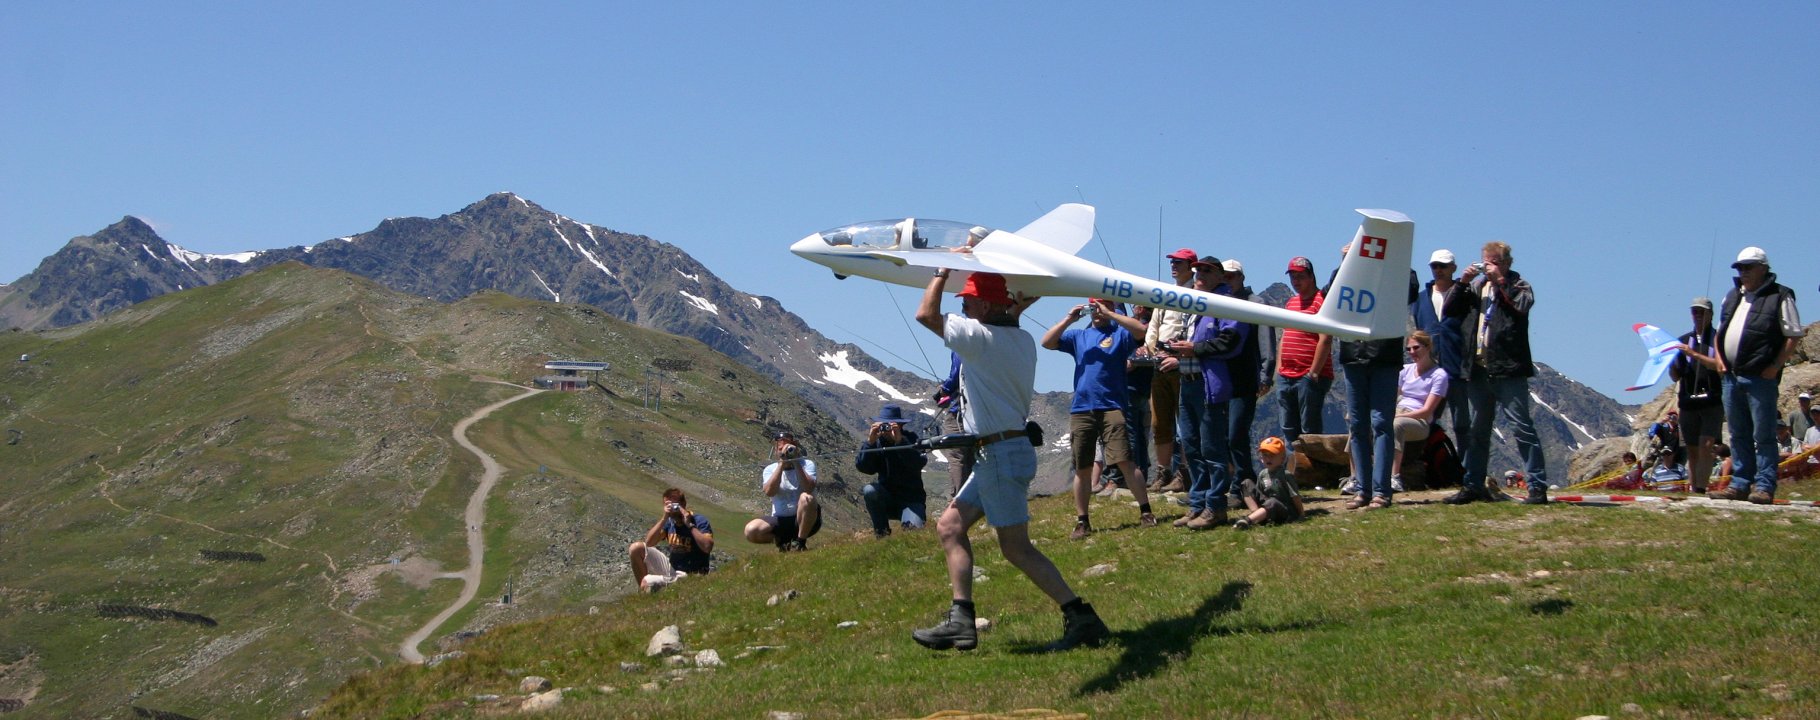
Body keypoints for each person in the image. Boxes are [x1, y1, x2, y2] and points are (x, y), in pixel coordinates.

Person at [910, 269, 1109, 652]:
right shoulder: (1020, 339)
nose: (963, 308)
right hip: (1001, 451)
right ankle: (961, 621)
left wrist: (939, 271)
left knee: (1016, 548)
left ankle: (1080, 615)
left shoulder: (979, 337)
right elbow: (1005, 321)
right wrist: (1010, 305)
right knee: (951, 526)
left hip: (999, 453)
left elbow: (926, 316)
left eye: (968, 302)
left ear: (985, 305)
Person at [1042, 297, 1158, 538]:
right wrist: (1068, 319)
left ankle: (1146, 511)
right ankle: (1082, 520)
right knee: (1082, 467)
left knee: (1125, 460)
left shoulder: (1119, 334)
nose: (1097, 311)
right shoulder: (1078, 336)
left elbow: (1141, 330)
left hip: (1112, 406)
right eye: (1093, 306)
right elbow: (1047, 342)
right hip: (1082, 408)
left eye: (1102, 305)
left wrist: (1111, 314)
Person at [1453, 240, 1549, 505]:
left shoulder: (1520, 285)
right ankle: (1472, 484)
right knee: (1477, 430)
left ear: (1506, 263)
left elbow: (1521, 307)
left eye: (1494, 261)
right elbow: (1451, 310)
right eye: (1486, 261)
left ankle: (1537, 486)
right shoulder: (1476, 287)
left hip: (1508, 368)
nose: (1488, 266)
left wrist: (1501, 283)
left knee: (1522, 427)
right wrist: (1462, 283)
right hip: (1479, 368)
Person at [1709, 246, 1804, 504]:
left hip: (1761, 377)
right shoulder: (1731, 296)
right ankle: (1740, 483)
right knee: (1738, 433)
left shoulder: (1780, 296)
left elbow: (1793, 334)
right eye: (1740, 268)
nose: (1743, 272)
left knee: (1763, 434)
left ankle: (1764, 485)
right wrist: (1719, 358)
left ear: (1763, 268)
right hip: (1731, 376)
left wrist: (1775, 365)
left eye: (1748, 267)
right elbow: (1720, 332)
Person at [1168, 258, 1248, 529]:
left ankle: (1215, 507)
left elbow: (1231, 340)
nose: (1199, 274)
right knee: (1191, 447)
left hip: (1209, 384)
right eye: (1197, 270)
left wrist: (1194, 349)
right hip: (1187, 381)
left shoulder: (1227, 303)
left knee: (1212, 448)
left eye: (1206, 271)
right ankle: (1197, 504)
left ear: (1220, 277)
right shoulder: (1196, 303)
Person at [1332, 249, 1416, 510]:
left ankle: (1382, 491)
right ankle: (1362, 489)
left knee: (1381, 423)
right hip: (1353, 358)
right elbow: (1330, 295)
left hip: (1384, 358)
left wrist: (1391, 260)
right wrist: (1347, 264)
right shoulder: (1345, 273)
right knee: (1357, 425)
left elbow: (1410, 289)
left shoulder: (1396, 273)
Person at [1139, 248, 1201, 491]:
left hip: (1181, 364)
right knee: (1160, 422)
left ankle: (1184, 473)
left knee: (1184, 420)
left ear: (1191, 266)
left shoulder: (1195, 293)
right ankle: (1163, 472)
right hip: (1159, 364)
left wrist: (1177, 354)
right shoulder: (1166, 292)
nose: (1174, 266)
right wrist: (1150, 349)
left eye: (1179, 262)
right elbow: (1155, 324)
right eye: (1173, 262)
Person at [1411, 249, 1473, 438]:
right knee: (1427, 419)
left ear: (1453, 268)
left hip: (1456, 366)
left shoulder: (1466, 295)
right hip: (1430, 369)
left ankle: (1465, 467)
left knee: (1461, 422)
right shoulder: (1421, 299)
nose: (1438, 270)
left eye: (1443, 266)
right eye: (1434, 266)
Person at [1221, 259, 1271, 490]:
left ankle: (1244, 483)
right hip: (1221, 379)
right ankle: (1238, 483)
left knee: (1236, 435)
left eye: (1231, 276)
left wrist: (1265, 374)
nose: (1227, 280)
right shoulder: (1219, 302)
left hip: (1245, 378)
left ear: (1241, 277)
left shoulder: (1256, 303)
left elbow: (1266, 341)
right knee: (1223, 435)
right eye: (1224, 276)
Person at [1670, 297, 1725, 493]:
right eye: (1695, 312)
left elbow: (1718, 365)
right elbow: (1676, 375)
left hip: (1712, 400)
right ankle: (1695, 488)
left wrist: (1693, 354)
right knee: (1692, 448)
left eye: (1702, 312)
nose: (1698, 316)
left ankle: (1702, 486)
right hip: (1688, 401)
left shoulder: (1718, 339)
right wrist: (1671, 363)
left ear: (1710, 314)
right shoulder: (1684, 340)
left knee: (1707, 444)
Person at [1276, 256, 1333, 445]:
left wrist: (1313, 373)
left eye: (1300, 276)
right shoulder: (1291, 303)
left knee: (1310, 429)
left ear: (1311, 277)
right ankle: (1295, 472)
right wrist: (1279, 368)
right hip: (1286, 375)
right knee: (1288, 428)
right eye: (1292, 277)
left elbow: (1325, 338)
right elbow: (1285, 336)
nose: (1296, 282)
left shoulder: (1322, 301)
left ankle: (1315, 471)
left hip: (1309, 376)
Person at [855, 404, 929, 537]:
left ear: (900, 426)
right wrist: (869, 443)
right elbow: (864, 468)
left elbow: (918, 463)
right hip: (887, 498)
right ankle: (881, 533)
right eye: (884, 425)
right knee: (869, 490)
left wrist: (900, 442)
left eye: (891, 425)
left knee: (914, 534)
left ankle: (911, 520)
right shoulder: (877, 443)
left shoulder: (911, 439)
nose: (887, 429)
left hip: (911, 500)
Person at [745, 430, 822, 551]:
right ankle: (782, 542)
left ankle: (800, 542)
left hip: (805, 518)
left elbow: (809, 487)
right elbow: (769, 492)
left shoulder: (807, 464)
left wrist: (796, 461)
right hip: (781, 520)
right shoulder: (770, 469)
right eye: (781, 449)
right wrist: (781, 464)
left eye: (788, 448)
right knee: (751, 530)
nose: (785, 452)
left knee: (807, 498)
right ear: (776, 451)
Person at [1392, 330, 1450, 489]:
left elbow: (1427, 411)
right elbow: (1393, 396)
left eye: (1416, 348)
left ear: (1428, 347)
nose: (1412, 352)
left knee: (1397, 425)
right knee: (1360, 422)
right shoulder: (1405, 370)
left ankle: (1394, 477)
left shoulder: (1439, 375)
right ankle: (1355, 476)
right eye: (1408, 349)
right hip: (1399, 411)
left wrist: (1398, 417)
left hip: (1420, 421)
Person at [628, 488, 714, 592]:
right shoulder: (669, 522)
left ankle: (645, 594)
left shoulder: (699, 521)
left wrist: (689, 525)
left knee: (648, 580)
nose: (673, 508)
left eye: (675, 504)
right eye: (668, 504)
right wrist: (664, 518)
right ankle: (644, 590)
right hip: (673, 569)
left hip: (692, 573)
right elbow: (649, 542)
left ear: (683, 503)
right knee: (636, 548)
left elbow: (707, 547)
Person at [1233, 437, 1304, 530]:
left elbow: (1295, 496)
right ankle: (1257, 514)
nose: (1268, 458)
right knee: (1246, 483)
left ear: (1282, 458)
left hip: (1285, 510)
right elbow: (1260, 493)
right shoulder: (1263, 474)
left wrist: (1301, 514)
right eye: (1264, 455)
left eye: (1272, 455)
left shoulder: (1285, 474)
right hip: (1268, 504)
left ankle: (1248, 521)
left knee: (1272, 502)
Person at [935, 352, 976, 497]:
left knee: (956, 457)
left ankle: (959, 502)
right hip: (981, 412)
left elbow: (957, 372)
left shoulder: (963, 343)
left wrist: (943, 390)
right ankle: (975, 502)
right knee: (973, 456)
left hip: (959, 411)